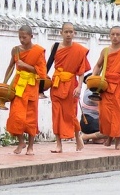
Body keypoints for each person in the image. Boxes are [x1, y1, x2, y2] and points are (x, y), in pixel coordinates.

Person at [91, 26, 120, 150]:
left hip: (119, 85)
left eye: (118, 34)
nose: (115, 37)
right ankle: (110, 136)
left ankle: (117, 140)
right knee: (105, 114)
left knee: (117, 113)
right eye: (113, 34)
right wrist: (92, 79)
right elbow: (98, 65)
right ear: (109, 36)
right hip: (105, 85)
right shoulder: (105, 51)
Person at [3, 25, 47, 155]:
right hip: (18, 86)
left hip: (31, 86)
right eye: (20, 37)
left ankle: (30, 146)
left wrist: (26, 66)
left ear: (31, 36)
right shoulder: (16, 50)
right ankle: (21, 141)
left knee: (31, 118)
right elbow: (11, 67)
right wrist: (4, 83)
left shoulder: (38, 51)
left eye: (24, 37)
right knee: (15, 116)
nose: (22, 40)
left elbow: (42, 73)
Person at [49, 23, 89, 153]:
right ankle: (58, 144)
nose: (68, 34)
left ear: (74, 33)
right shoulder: (55, 47)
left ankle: (78, 136)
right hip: (57, 84)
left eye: (71, 32)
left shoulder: (79, 50)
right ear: (61, 33)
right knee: (56, 114)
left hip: (72, 85)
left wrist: (79, 87)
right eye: (66, 32)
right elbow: (48, 65)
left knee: (71, 114)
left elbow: (81, 71)